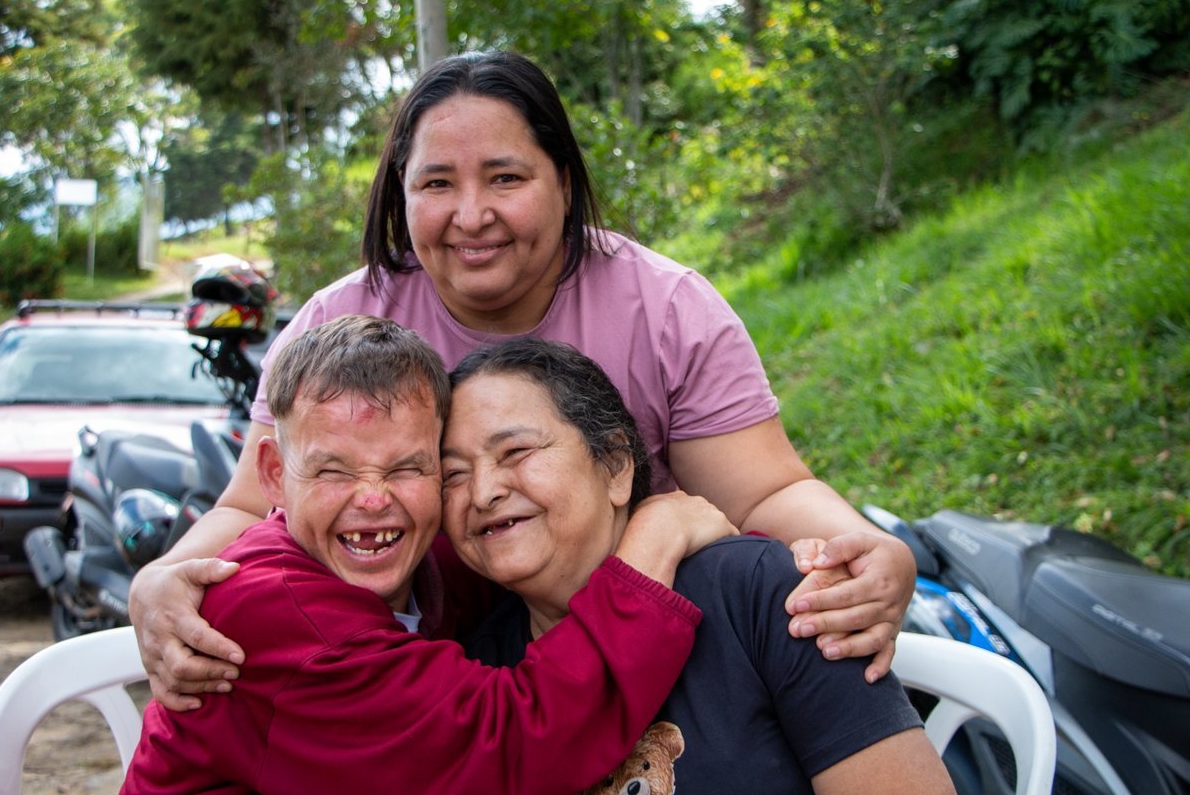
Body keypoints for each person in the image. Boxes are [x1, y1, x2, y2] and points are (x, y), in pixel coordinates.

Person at [130, 50, 916, 710]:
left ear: (564, 182)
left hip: (648, 667)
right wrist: (162, 578)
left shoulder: (665, 308)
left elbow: (766, 493)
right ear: (401, 197)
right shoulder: (341, 322)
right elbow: (251, 504)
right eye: (437, 183)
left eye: (505, 177)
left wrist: (868, 549)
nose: (471, 215)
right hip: (419, 686)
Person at [122, 315, 738, 793]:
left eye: (409, 467)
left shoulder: (422, 562)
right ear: (274, 476)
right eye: (332, 470)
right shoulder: (278, 617)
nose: (372, 500)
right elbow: (513, 745)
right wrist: (650, 545)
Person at [442, 337, 955, 795]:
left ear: (616, 465)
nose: (484, 492)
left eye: (516, 451)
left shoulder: (760, 593)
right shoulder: (477, 676)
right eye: (452, 476)